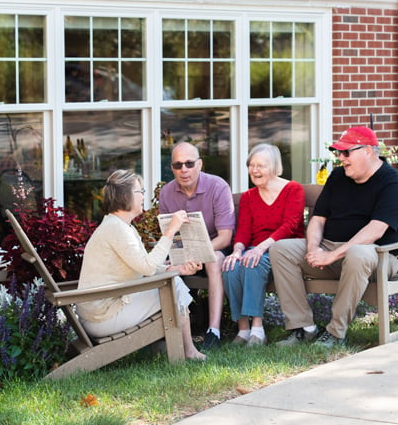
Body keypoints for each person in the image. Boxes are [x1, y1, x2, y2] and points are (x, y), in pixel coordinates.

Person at [269, 126, 398, 347]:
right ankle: (302, 328)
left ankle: (335, 333)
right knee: (281, 249)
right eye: (338, 153)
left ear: (368, 151)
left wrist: (332, 255)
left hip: (377, 255)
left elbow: (375, 231)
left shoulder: (393, 183)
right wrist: (313, 249)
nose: (341, 158)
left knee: (357, 253)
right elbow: (318, 219)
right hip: (331, 249)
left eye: (346, 153)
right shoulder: (338, 176)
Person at [77, 169, 206, 360]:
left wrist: (177, 268)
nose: (144, 196)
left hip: (104, 310)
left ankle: (181, 349)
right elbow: (147, 268)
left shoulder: (121, 226)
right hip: (102, 317)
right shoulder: (115, 229)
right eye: (140, 191)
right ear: (125, 196)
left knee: (173, 281)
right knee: (173, 287)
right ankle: (188, 351)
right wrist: (171, 230)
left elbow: (145, 266)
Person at [221, 144, 305, 346]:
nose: (255, 170)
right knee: (231, 266)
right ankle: (243, 329)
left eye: (261, 166)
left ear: (275, 168)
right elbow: (243, 230)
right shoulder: (249, 197)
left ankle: (258, 329)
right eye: (251, 165)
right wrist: (237, 251)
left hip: (282, 249)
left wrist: (260, 249)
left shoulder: (293, 189)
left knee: (253, 264)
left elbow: (290, 225)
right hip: (254, 248)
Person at [159, 142, 235, 350]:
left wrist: (200, 254)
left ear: (199, 164)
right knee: (162, 267)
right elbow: (170, 234)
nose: (184, 169)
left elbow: (225, 237)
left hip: (215, 248)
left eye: (189, 163)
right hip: (184, 252)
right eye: (178, 165)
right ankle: (167, 332)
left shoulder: (218, 187)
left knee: (213, 261)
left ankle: (214, 331)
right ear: (172, 168)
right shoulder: (166, 193)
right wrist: (178, 257)